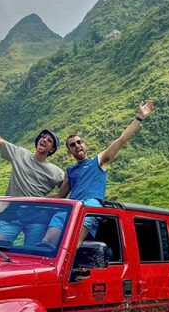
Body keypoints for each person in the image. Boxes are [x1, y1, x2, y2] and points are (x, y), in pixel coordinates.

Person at [43, 100, 154, 244]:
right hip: (72, 206)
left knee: (78, 232)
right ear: (69, 151)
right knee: (48, 238)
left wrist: (139, 117)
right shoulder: (70, 171)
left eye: (79, 142)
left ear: (84, 145)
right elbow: (60, 196)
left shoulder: (99, 161)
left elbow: (121, 140)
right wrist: (32, 199)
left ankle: (74, 247)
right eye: (72, 145)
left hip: (90, 205)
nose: (77, 146)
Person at [0, 110, 64, 245]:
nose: (44, 140)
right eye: (43, 137)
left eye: (49, 140)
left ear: (52, 149)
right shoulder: (20, 153)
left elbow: (66, 191)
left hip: (36, 219)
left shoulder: (56, 171)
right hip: (12, 215)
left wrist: (46, 199)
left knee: (32, 253)